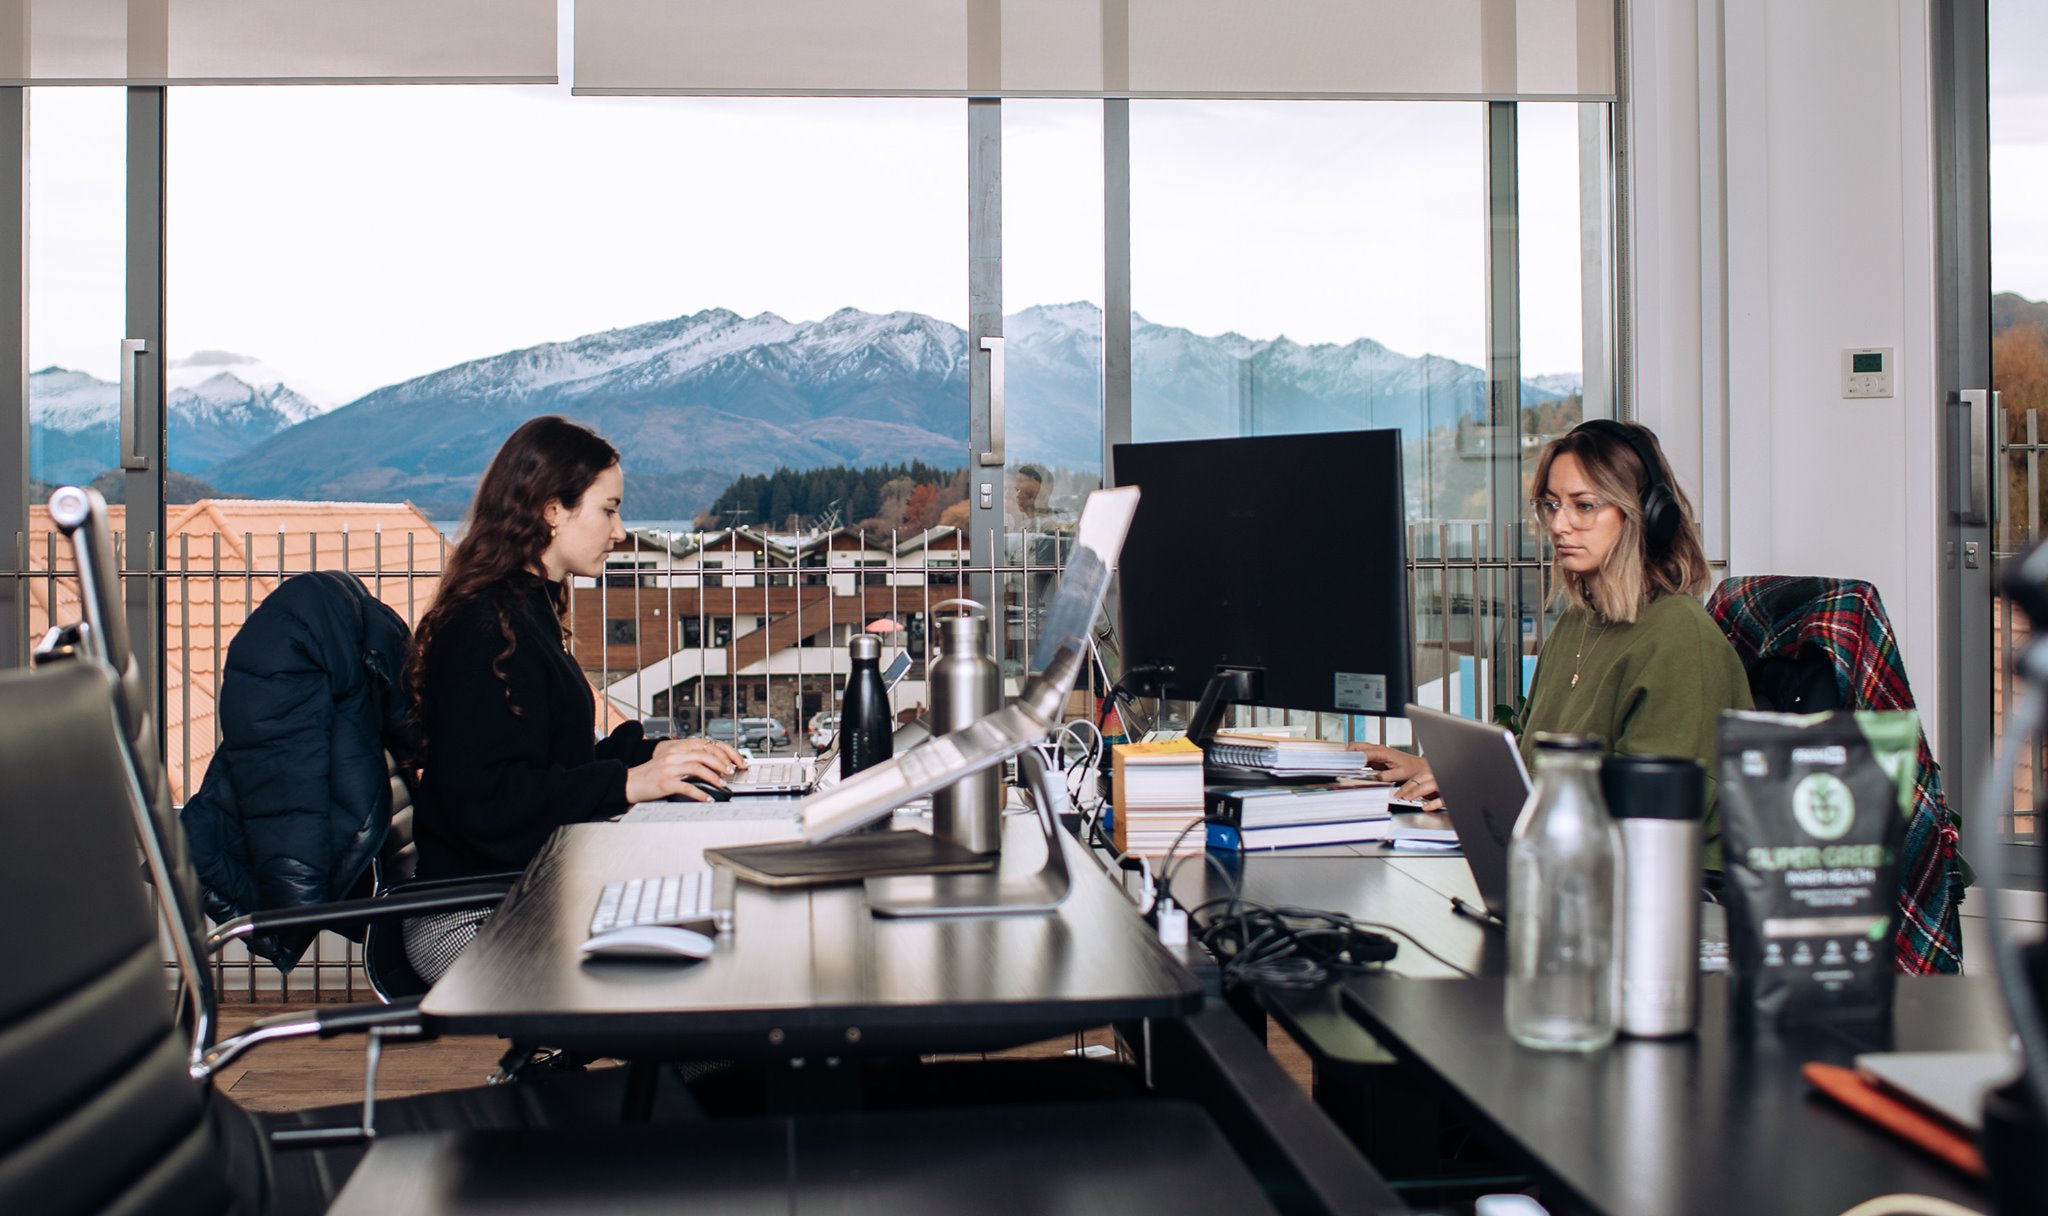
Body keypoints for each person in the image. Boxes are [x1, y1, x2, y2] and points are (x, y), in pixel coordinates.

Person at [402, 415, 745, 980]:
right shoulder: (482, 629)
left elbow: (552, 764)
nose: (620, 532)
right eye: (608, 509)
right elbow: (487, 801)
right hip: (473, 913)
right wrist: (628, 781)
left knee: (723, 950)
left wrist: (649, 756)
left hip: (522, 886)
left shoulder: (523, 608)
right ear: (551, 510)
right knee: (717, 991)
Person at [1357, 419, 1751, 865]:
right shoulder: (1575, 624)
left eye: (1583, 506)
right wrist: (1443, 773)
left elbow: (1648, 820)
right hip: (1562, 868)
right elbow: (1532, 767)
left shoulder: (1679, 638)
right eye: (1551, 505)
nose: (1559, 525)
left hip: (1663, 896)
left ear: (1646, 513)